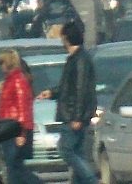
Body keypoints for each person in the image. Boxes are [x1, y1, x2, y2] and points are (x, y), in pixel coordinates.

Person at [36, 21, 97, 184]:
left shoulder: (80, 60)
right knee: (78, 153)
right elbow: (68, 86)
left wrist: (77, 117)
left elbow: (80, 89)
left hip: (73, 116)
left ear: (66, 38)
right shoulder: (75, 58)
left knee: (66, 150)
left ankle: (92, 180)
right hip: (73, 114)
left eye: (62, 37)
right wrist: (52, 93)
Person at [0, 50, 42, 184]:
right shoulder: (10, 80)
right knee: (12, 167)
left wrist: (21, 133)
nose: (0, 66)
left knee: (14, 167)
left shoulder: (18, 80)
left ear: (7, 63)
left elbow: (23, 108)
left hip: (14, 129)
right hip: (6, 128)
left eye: (1, 62)